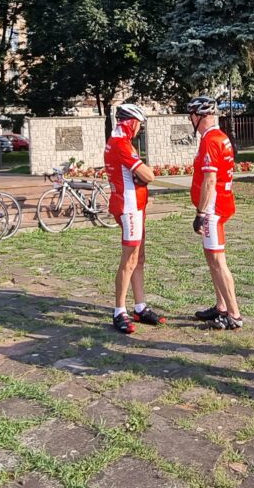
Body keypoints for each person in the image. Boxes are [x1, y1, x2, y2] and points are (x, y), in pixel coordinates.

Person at [104, 103, 164, 334]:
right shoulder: (121, 143)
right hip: (128, 207)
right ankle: (119, 310)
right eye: (139, 124)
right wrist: (146, 174)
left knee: (139, 257)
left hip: (135, 206)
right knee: (129, 260)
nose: (139, 129)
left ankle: (140, 306)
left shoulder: (121, 141)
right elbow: (148, 175)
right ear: (131, 122)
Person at [187, 96, 243, 330]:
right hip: (220, 203)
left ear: (197, 117)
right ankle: (221, 306)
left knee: (218, 261)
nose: (190, 120)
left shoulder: (210, 140)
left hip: (213, 208)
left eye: (191, 115)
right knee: (211, 258)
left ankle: (234, 314)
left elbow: (210, 180)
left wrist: (201, 213)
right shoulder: (220, 137)